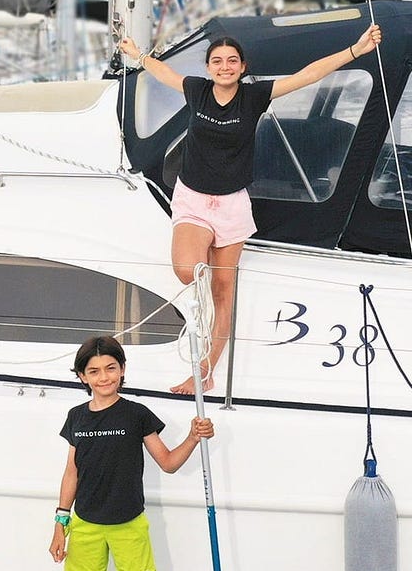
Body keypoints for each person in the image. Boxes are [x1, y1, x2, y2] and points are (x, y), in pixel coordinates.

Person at [119, 23, 382, 394]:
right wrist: (139, 56)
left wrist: (355, 51)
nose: (224, 66)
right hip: (194, 199)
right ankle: (201, 321)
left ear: (242, 67)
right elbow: (166, 74)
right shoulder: (197, 91)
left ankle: (206, 369)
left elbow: (308, 75)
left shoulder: (255, 96)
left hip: (231, 206)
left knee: (224, 291)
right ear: (208, 68)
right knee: (187, 270)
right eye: (217, 61)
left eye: (231, 61)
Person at [16, 335, 214, 571]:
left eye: (110, 368)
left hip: (127, 526)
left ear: (122, 371)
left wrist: (193, 436)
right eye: (94, 371)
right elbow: (71, 471)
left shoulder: (136, 414)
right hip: (86, 525)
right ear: (81, 377)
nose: (103, 376)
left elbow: (169, 463)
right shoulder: (77, 417)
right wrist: (61, 523)